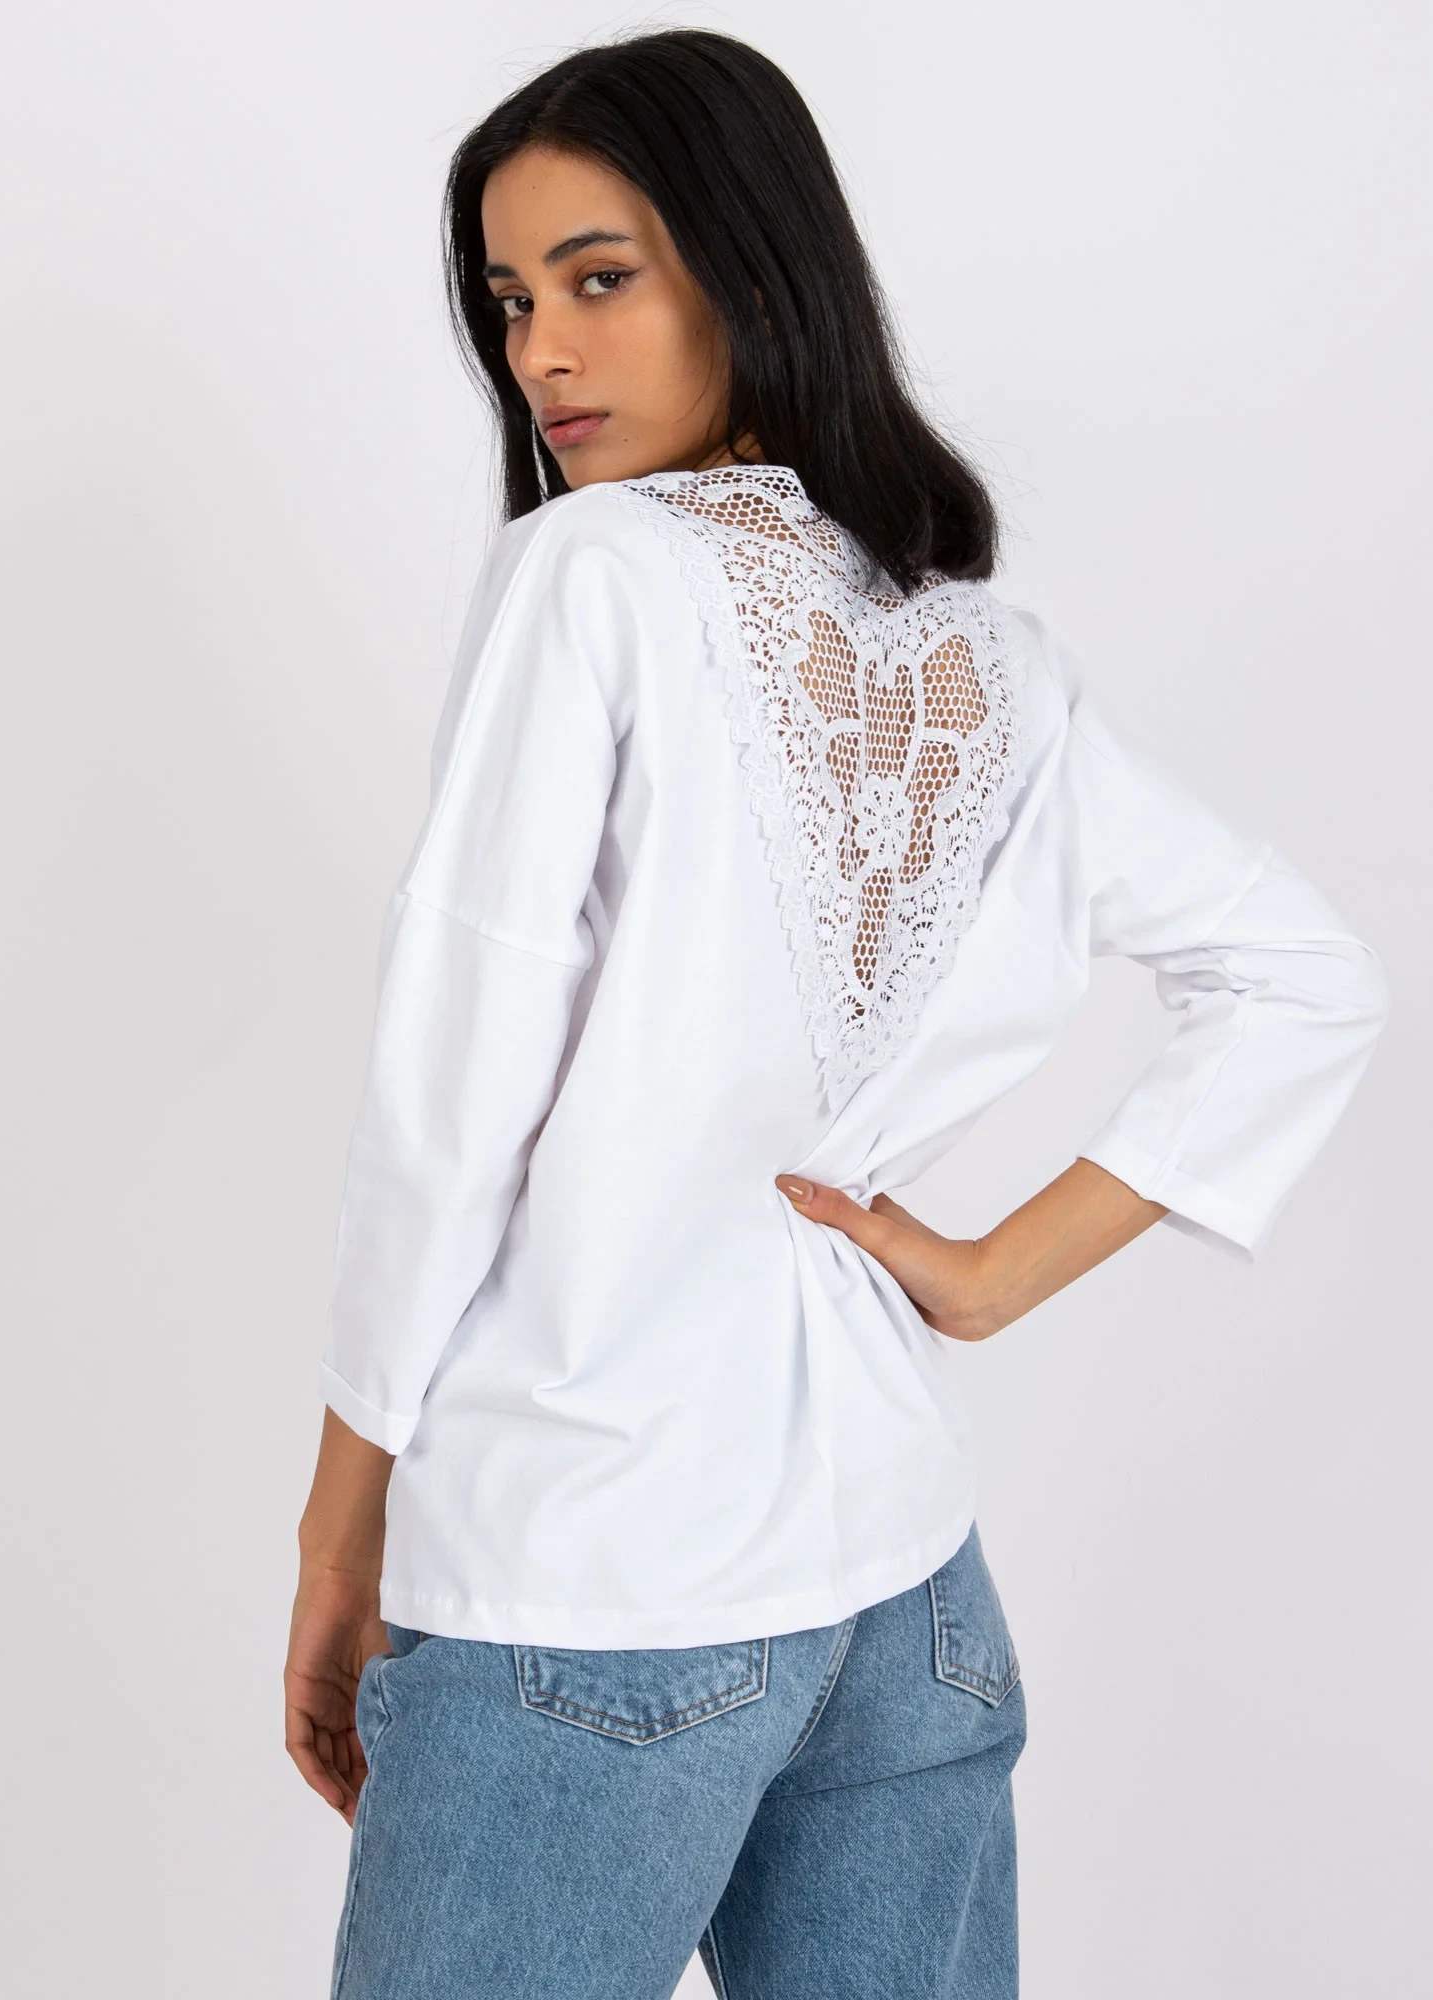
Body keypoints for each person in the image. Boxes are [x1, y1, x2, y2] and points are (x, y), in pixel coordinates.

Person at [283, 29, 1389, 2000]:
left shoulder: (590, 577)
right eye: (512, 300)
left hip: (594, 1579)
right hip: (906, 1596)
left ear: (751, 266)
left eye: (600, 278)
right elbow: (1305, 975)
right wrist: (988, 1276)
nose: (542, 351)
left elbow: (451, 1100)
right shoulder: (984, 657)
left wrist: (338, 1525)